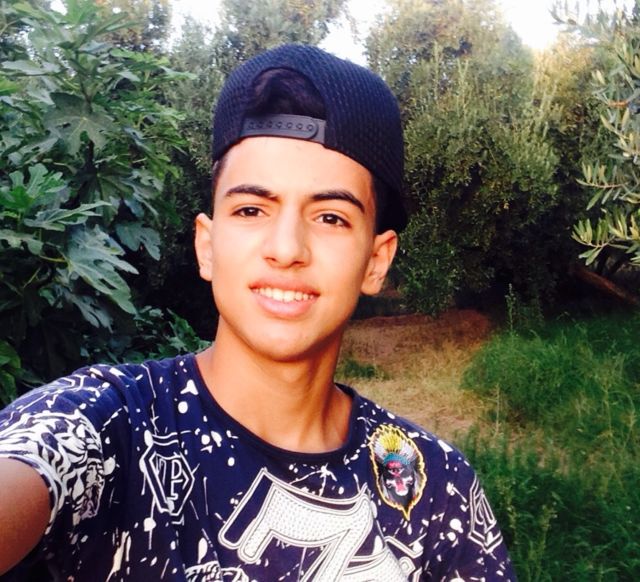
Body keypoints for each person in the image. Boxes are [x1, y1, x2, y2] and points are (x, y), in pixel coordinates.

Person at [0, 44, 515, 581]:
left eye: (331, 217)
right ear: (206, 245)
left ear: (376, 260)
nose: (286, 248)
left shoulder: (435, 488)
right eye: (251, 209)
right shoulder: (105, 426)